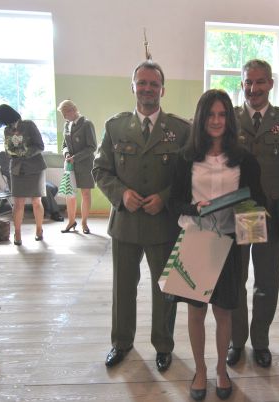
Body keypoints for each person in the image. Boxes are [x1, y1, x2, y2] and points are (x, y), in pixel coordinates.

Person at [168, 89, 265, 400]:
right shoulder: (185, 158)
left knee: (224, 313)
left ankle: (222, 369)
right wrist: (193, 208)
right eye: (210, 114)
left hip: (230, 243)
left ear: (230, 119)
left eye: (222, 114)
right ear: (201, 118)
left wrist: (247, 216)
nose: (216, 120)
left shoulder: (244, 159)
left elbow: (258, 200)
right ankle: (200, 370)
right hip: (195, 240)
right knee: (196, 313)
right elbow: (174, 202)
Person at [93, 60, 190, 370]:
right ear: (133, 86)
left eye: (154, 84)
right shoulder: (115, 127)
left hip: (164, 224)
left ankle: (163, 345)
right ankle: (121, 342)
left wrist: (165, 198)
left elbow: (189, 176)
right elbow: (100, 169)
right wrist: (121, 194)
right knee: (123, 288)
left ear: (163, 89)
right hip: (126, 223)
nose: (148, 88)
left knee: (166, 288)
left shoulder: (180, 130)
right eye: (142, 83)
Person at [228, 59, 279, 368]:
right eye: (248, 82)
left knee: (266, 282)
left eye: (260, 82)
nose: (253, 88)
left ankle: (260, 341)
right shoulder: (229, 118)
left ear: (270, 83)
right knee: (237, 280)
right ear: (242, 84)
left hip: (269, 213)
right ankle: (236, 340)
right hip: (238, 212)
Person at [0, 104, 47, 246]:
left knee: (36, 201)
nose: (3, 123)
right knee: (18, 203)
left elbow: (40, 146)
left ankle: (39, 229)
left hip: (35, 168)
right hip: (17, 169)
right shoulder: (7, 130)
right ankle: (17, 233)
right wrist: (12, 152)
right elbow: (7, 149)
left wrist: (25, 152)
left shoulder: (29, 125)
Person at [57, 100, 97, 234]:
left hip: (85, 166)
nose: (64, 117)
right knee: (70, 194)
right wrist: (66, 154)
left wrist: (75, 158)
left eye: (65, 113)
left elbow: (92, 147)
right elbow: (64, 145)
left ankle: (84, 223)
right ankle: (71, 221)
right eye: (62, 114)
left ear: (73, 110)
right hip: (69, 166)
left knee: (85, 194)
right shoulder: (66, 125)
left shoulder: (87, 124)